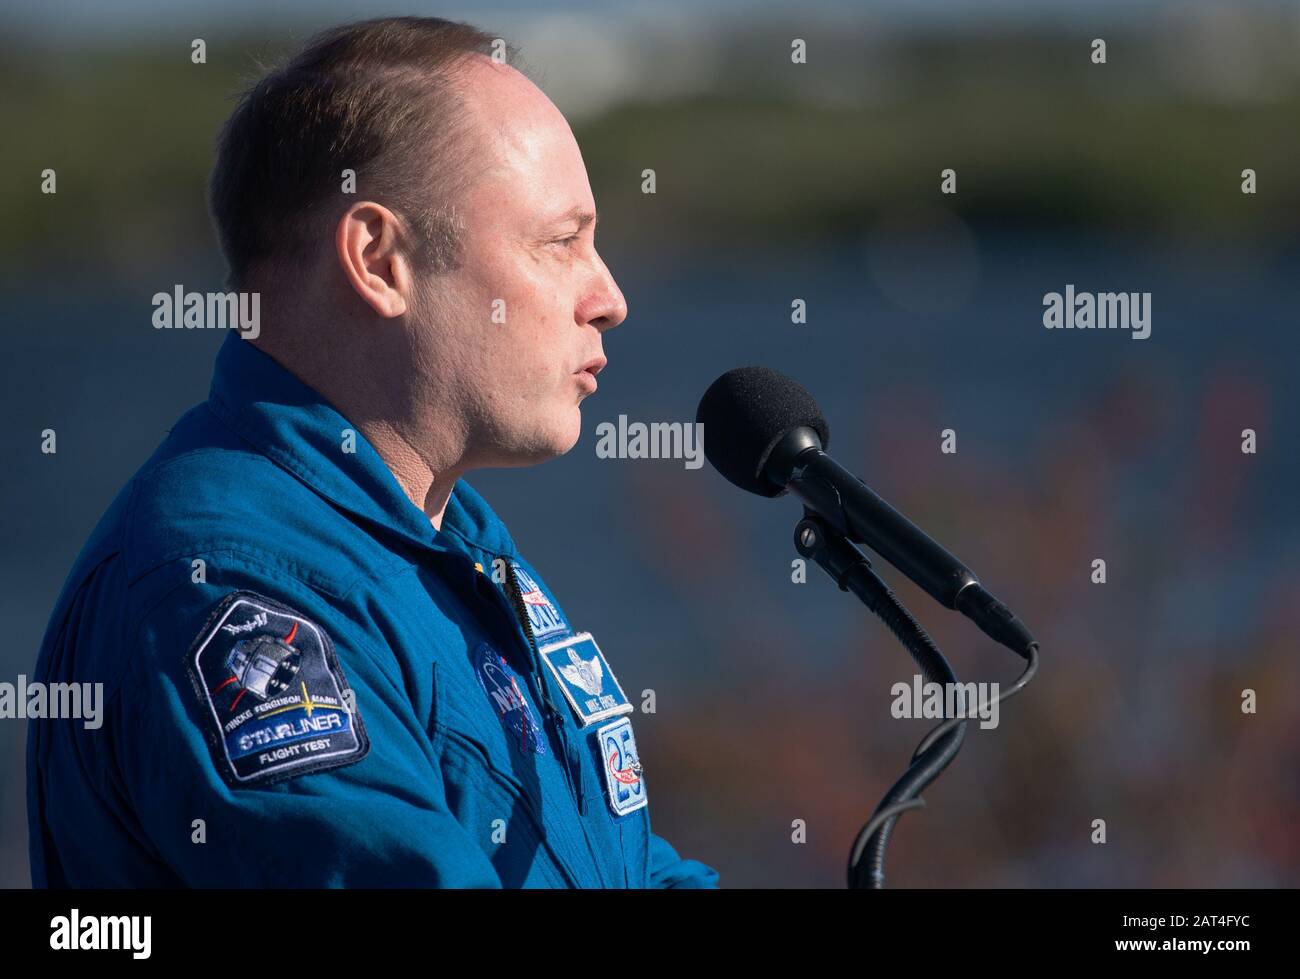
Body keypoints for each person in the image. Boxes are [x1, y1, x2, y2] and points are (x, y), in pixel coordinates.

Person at [26, 15, 718, 889]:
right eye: (560, 242)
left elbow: (627, 871)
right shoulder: (233, 584)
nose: (609, 296)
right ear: (378, 259)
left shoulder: (450, 537)